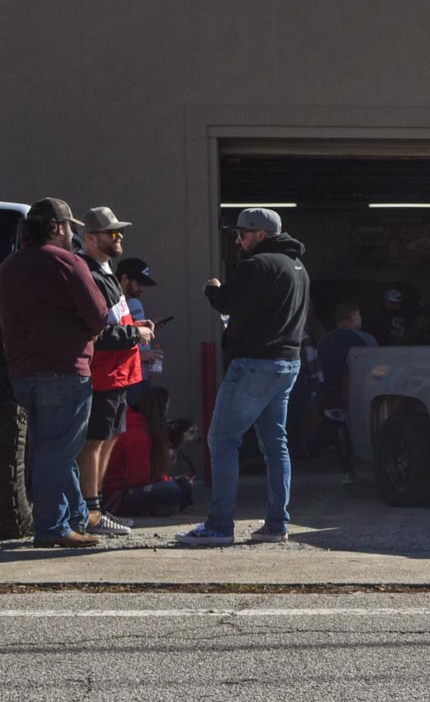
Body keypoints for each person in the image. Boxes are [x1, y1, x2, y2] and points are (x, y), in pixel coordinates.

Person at [178, 207, 312, 547]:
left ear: (261, 235)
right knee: (275, 445)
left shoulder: (258, 265)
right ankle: (276, 524)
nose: (238, 240)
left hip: (253, 365)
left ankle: (219, 525)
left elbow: (227, 302)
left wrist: (213, 288)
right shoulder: (298, 269)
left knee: (222, 440)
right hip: (287, 365)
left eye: (242, 233)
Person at [0, 198, 108, 548]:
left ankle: (76, 518)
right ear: (59, 228)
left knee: (53, 449)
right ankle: (53, 528)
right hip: (64, 370)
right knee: (57, 454)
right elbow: (99, 315)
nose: (72, 233)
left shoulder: (8, 266)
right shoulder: (68, 262)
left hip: (23, 372)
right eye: (70, 227)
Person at [74, 207, 153, 537]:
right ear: (91, 238)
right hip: (103, 374)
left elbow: (114, 320)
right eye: (112, 233)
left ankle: (97, 509)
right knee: (93, 443)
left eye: (120, 233)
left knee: (108, 439)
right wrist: (137, 334)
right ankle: (89, 512)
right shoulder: (88, 274)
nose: (119, 238)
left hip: (121, 373)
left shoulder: (106, 272)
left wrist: (135, 326)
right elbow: (95, 332)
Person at [102, 387, 195, 520]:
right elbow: (136, 479)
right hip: (116, 496)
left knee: (179, 486)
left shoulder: (131, 422)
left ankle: (153, 508)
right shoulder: (138, 434)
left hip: (118, 490)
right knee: (175, 490)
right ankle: (152, 508)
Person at [318, 299, 379, 481]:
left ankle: (346, 470)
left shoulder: (323, 341)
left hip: (331, 396)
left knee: (339, 434)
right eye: (359, 315)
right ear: (352, 317)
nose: (361, 318)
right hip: (358, 396)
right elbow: (376, 369)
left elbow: (317, 370)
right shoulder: (364, 339)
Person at [116, 256, 164, 393]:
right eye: (139, 283)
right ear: (125, 279)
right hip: (123, 379)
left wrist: (148, 327)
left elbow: (126, 332)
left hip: (139, 375)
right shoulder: (112, 304)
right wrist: (142, 356)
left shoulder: (129, 303)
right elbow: (109, 339)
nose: (142, 288)